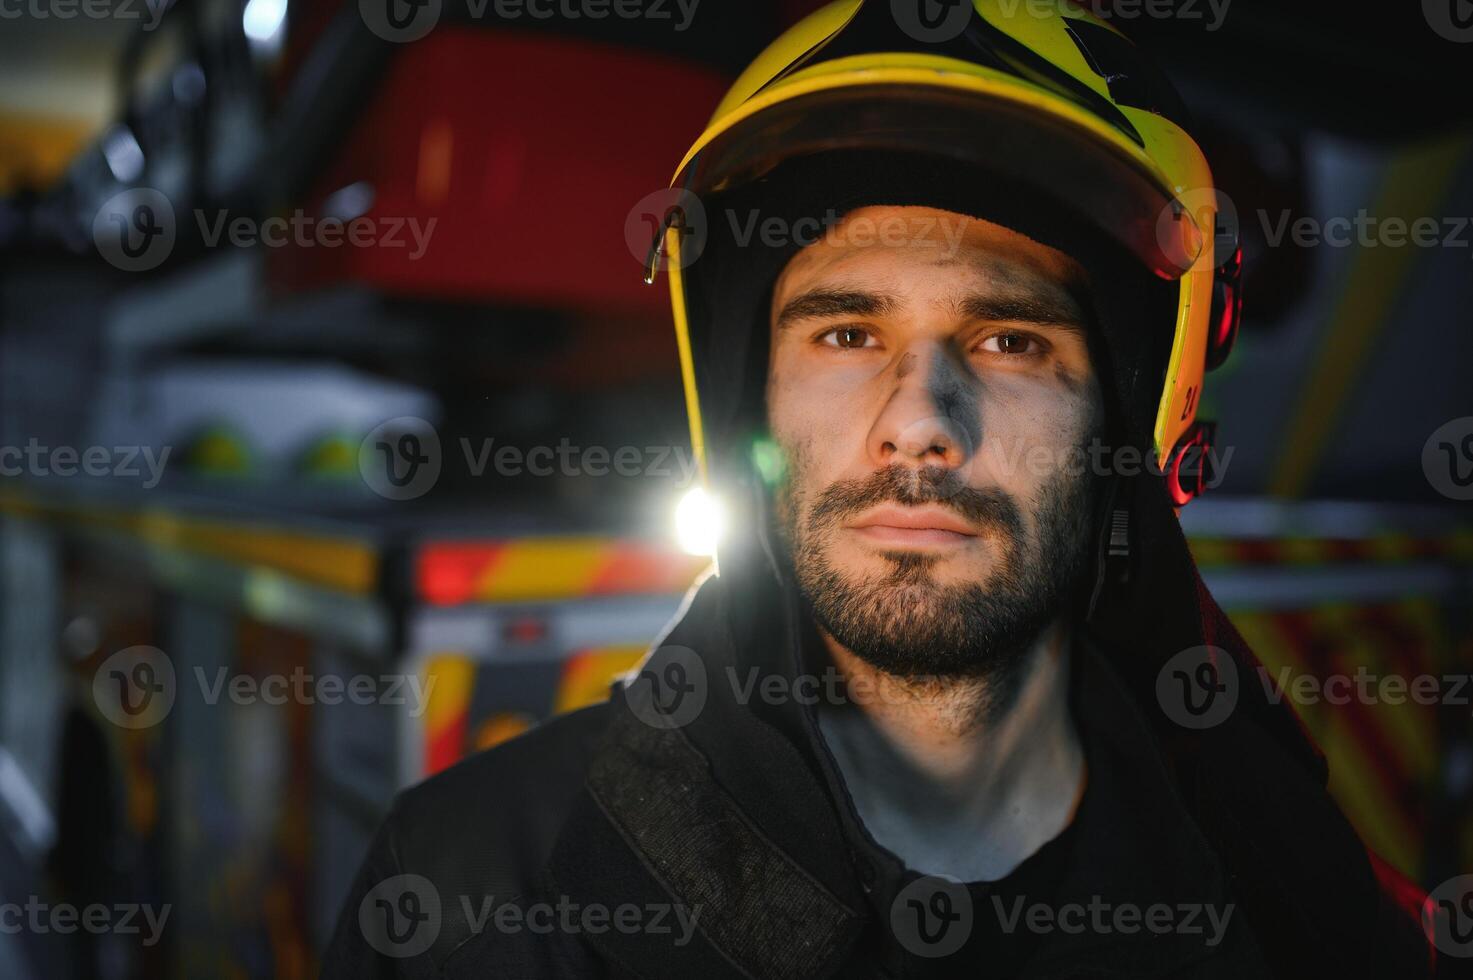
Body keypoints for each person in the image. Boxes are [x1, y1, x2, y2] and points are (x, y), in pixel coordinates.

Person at [324, 3, 1444, 976]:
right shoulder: (469, 900)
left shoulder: (1301, 915)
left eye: (1010, 340)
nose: (919, 422)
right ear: (745, 397)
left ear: (1136, 411)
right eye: (848, 331)